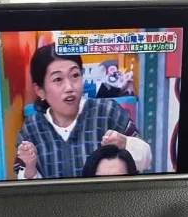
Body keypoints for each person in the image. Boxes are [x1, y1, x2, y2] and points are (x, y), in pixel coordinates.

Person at [14, 44, 152, 180]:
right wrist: (30, 166)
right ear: (40, 90)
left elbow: (146, 158)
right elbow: (27, 183)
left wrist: (124, 142)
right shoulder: (32, 129)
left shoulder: (107, 111)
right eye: (58, 79)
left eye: (75, 75)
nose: (69, 87)